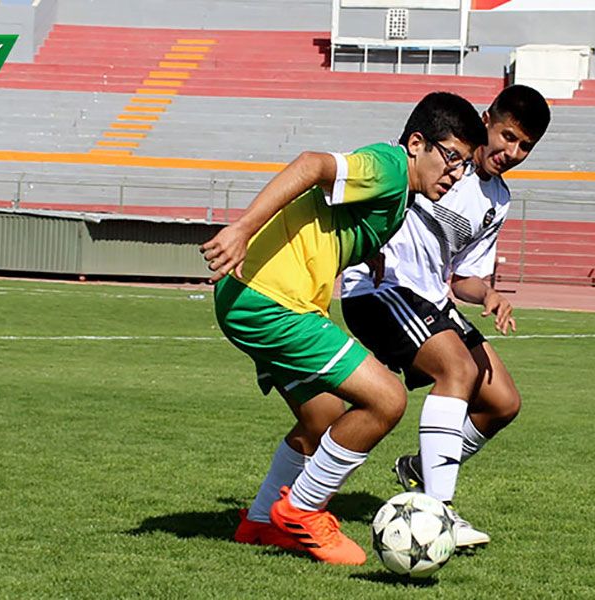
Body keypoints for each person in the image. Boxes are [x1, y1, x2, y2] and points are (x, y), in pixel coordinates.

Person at [200, 91, 487, 566]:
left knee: (322, 418)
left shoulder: (398, 197)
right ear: (417, 143)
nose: (455, 175)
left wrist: (368, 249)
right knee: (387, 398)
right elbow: (312, 164)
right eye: (451, 158)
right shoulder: (390, 167)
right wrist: (243, 228)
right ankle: (302, 510)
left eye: (463, 166)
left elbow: (337, 214)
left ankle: (261, 522)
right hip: (273, 302)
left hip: (249, 299)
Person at [339, 84, 551, 548]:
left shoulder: (498, 199)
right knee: (457, 369)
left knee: (502, 402)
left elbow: (461, 280)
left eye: (525, 147)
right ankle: (439, 511)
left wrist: (490, 294)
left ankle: (418, 469)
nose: (511, 152)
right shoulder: (439, 155)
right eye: (508, 136)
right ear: (487, 118)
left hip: (433, 298)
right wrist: (365, 241)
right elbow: (361, 187)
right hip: (382, 289)